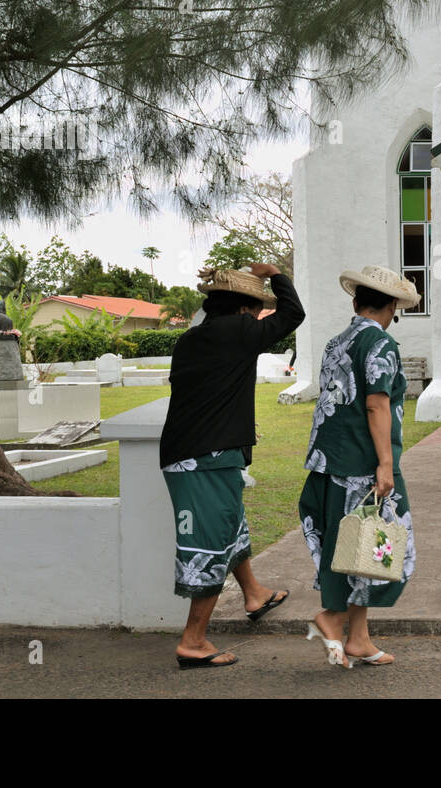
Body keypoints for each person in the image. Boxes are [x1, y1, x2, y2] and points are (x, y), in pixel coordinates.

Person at [158, 263, 304, 669]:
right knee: (211, 543)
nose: (261, 316)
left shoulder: (189, 340)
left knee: (231, 526)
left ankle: (253, 594)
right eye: (258, 308)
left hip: (191, 454)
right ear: (243, 309)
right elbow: (293, 314)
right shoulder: (240, 333)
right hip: (207, 458)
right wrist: (276, 273)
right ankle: (193, 640)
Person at [299, 265, 420, 668]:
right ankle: (332, 619)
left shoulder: (337, 341)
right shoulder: (380, 343)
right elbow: (376, 403)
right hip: (363, 463)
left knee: (356, 549)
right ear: (394, 308)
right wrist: (386, 463)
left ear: (356, 302)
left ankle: (359, 639)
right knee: (382, 545)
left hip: (330, 460)